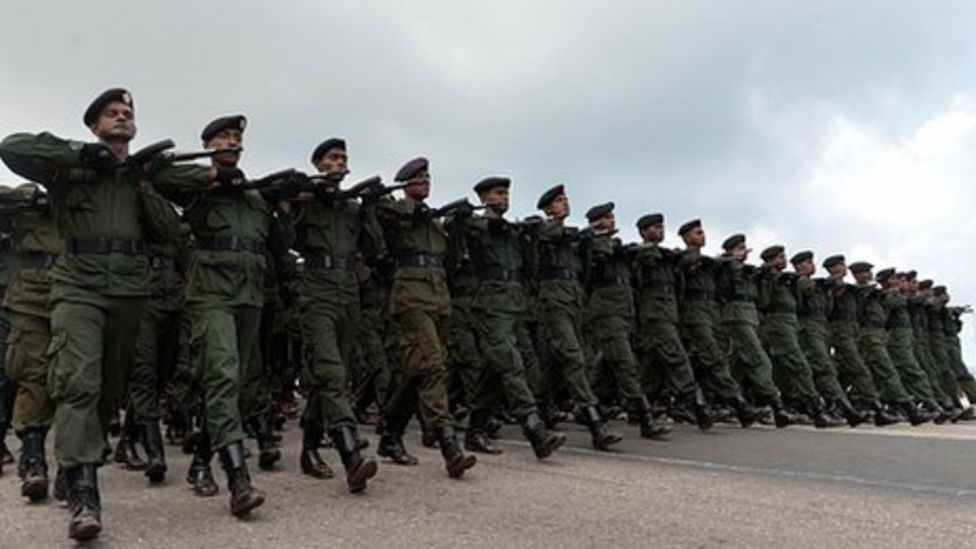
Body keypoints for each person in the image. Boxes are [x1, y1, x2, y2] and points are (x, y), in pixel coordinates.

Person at [0, 88, 211, 539]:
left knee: (109, 392)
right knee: (78, 382)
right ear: (95, 125)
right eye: (111, 114)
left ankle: (77, 461)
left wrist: (144, 182)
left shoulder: (144, 176)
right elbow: (11, 146)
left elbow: (170, 232)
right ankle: (84, 494)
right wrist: (81, 153)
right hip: (78, 286)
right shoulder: (70, 168)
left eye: (127, 113)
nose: (121, 118)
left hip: (132, 291)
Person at [374, 157, 477, 478]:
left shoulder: (434, 224)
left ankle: (390, 434)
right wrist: (413, 211)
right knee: (433, 364)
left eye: (428, 176)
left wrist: (457, 227)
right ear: (405, 184)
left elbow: (452, 260)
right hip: (411, 297)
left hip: (438, 297)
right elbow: (381, 214)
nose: (425, 181)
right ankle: (449, 445)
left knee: (417, 370)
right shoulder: (397, 212)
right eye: (418, 178)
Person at [291, 138, 381, 492]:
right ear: (318, 164)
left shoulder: (351, 209)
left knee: (332, 377)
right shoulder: (308, 202)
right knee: (330, 372)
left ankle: (310, 448)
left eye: (343, 158)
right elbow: (288, 237)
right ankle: (350, 456)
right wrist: (306, 197)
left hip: (348, 293)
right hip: (317, 293)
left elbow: (374, 249)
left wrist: (369, 209)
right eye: (332, 158)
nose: (339, 162)